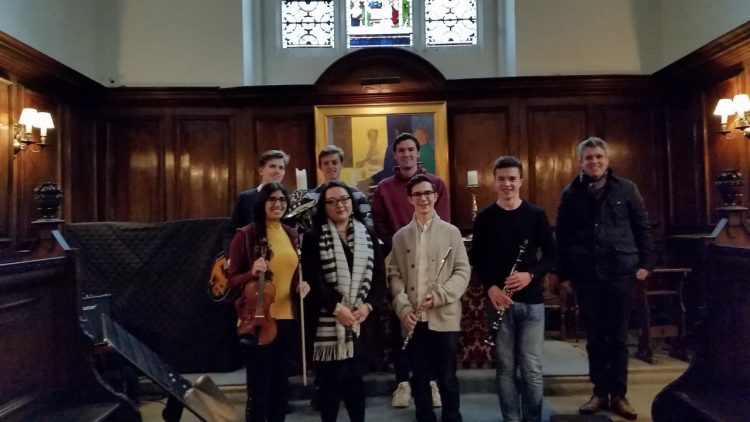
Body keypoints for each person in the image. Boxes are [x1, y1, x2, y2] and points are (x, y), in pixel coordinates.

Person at [556, 137, 655, 421]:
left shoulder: (626, 189)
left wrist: (647, 264)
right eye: (589, 158)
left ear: (607, 160)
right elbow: (561, 236)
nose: (594, 162)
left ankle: (620, 395)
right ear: (581, 162)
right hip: (587, 275)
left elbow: (642, 227)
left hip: (621, 272)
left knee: (619, 337)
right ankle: (600, 392)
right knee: (595, 338)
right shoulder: (571, 193)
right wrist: (564, 275)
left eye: (599, 157)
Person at [471, 156, 556, 422]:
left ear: (520, 181)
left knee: (531, 368)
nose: (507, 184)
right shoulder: (485, 217)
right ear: (494, 182)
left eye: (512, 179)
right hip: (498, 302)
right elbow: (478, 259)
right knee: (505, 368)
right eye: (501, 179)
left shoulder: (535, 214)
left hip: (531, 302)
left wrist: (530, 274)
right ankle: (511, 419)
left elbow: (554, 255)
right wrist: (491, 288)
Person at [372, 132, 450, 408]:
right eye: (401, 150)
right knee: (401, 321)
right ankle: (403, 382)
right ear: (395, 155)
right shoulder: (384, 188)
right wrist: (401, 243)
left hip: (431, 263)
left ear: (419, 153)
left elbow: (444, 223)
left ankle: (431, 383)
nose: (406, 154)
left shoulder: (436, 183)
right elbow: (378, 224)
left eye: (410, 150)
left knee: (431, 325)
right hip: (399, 260)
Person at [301, 181, 386, 422]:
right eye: (332, 201)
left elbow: (380, 276)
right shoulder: (313, 236)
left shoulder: (367, 233)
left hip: (360, 321)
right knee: (329, 385)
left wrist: (368, 306)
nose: (340, 205)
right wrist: (337, 308)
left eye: (344, 199)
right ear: (324, 207)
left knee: (355, 383)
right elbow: (314, 279)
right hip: (327, 322)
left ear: (352, 202)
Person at [389, 174, 470, 422]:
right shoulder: (400, 236)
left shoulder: (451, 232)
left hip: (443, 316)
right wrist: (403, 308)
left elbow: (462, 271)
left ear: (435, 197)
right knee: (420, 377)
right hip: (414, 318)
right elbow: (394, 275)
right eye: (417, 195)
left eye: (427, 194)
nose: (423, 199)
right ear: (410, 199)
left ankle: (452, 418)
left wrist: (439, 296)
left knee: (446, 377)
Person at [227, 183, 309, 422]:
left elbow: (293, 273)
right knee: (259, 386)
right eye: (272, 199)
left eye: (282, 200)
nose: (278, 204)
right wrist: (252, 272)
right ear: (261, 203)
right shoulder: (246, 235)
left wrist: (299, 285)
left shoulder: (291, 234)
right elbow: (231, 281)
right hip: (256, 319)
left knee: (281, 384)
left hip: (287, 317)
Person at [224, 149, 289, 252]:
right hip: (248, 256)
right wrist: (230, 257)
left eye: (281, 168)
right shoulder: (246, 198)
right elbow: (231, 231)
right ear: (261, 171)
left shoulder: (286, 200)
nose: (277, 171)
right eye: (272, 166)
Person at [303, 145, 372, 227]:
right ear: (320, 167)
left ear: (341, 165)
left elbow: (368, 225)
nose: (330, 166)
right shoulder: (310, 198)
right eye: (326, 163)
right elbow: (306, 227)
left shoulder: (358, 195)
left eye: (334, 162)